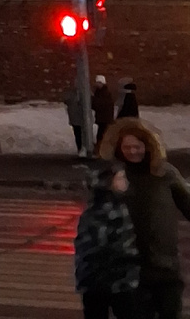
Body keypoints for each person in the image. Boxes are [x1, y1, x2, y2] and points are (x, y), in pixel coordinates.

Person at [101, 116, 190, 319]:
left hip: (165, 267)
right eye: (127, 147)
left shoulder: (165, 174)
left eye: (137, 146)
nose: (133, 151)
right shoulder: (112, 178)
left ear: (148, 145)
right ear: (118, 148)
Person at [74, 163, 142, 319]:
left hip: (96, 282)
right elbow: (104, 247)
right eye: (121, 178)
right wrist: (134, 258)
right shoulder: (108, 210)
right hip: (112, 281)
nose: (125, 181)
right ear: (108, 182)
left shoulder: (104, 206)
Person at [93, 75, 116, 151]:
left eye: (99, 82)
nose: (97, 84)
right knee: (102, 133)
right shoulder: (100, 92)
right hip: (103, 117)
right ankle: (101, 148)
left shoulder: (104, 93)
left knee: (102, 134)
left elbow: (100, 104)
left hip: (104, 118)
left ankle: (100, 149)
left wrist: (92, 102)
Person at [67, 82, 88, 155]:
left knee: (83, 134)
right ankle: (80, 148)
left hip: (82, 118)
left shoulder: (85, 92)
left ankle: (84, 148)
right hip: (76, 118)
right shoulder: (72, 94)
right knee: (78, 134)